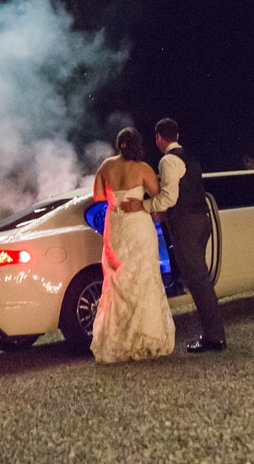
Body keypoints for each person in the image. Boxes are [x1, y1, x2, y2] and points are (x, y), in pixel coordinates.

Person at [120, 118, 226, 353]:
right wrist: (166, 215)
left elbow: (170, 198)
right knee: (201, 279)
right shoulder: (191, 156)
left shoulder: (168, 160)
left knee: (199, 282)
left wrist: (144, 206)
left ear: (159, 138)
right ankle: (214, 333)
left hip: (186, 226)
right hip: (201, 220)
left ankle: (214, 337)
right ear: (176, 135)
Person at [91, 126, 175, 362]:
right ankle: (145, 336)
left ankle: (117, 340)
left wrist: (114, 195)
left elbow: (97, 196)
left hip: (115, 225)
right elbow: (158, 196)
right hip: (137, 225)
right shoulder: (143, 168)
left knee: (117, 279)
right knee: (142, 276)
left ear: (118, 144)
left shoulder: (106, 166)